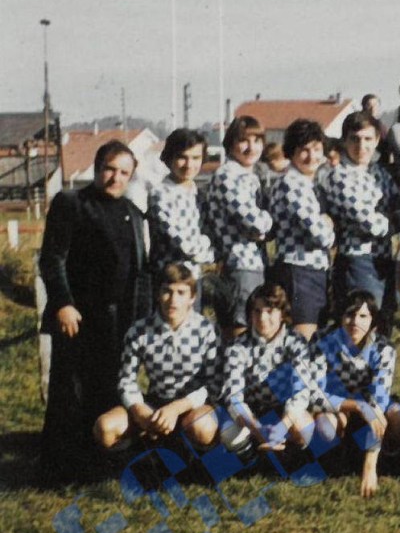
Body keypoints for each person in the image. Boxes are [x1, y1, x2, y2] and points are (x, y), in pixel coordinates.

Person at [38, 140, 152, 482]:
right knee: (71, 391)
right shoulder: (71, 203)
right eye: (109, 169)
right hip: (78, 318)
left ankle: (102, 463)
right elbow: (53, 259)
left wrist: (143, 320)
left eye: (124, 173)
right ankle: (62, 468)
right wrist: (63, 303)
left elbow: (140, 271)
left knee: (109, 389)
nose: (115, 178)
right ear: (96, 167)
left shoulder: (132, 212)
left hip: (119, 321)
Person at [93, 263, 219, 455]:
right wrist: (140, 411)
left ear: (192, 297)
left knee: (203, 427)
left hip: (191, 405)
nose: (173, 300)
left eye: (181, 293)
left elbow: (213, 384)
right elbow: (126, 380)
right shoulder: (140, 330)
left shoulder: (206, 330)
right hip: (155, 404)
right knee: (105, 427)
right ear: (158, 294)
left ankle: (189, 461)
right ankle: (136, 459)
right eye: (167, 291)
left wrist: (176, 409)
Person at [311, 290, 400, 498]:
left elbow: (378, 403)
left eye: (363, 316)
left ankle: (382, 461)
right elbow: (314, 394)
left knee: (399, 419)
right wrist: (357, 406)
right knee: (325, 426)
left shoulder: (384, 348)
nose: (355, 322)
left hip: (368, 410)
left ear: (373, 320)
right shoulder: (322, 340)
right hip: (337, 406)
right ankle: (333, 462)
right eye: (350, 315)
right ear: (341, 316)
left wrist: (370, 465)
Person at [318, 111, 400, 333]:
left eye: (367, 139)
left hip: (384, 259)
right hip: (357, 261)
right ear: (344, 141)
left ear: (377, 140)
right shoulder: (339, 176)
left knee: (382, 327)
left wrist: (396, 217)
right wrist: (394, 221)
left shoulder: (380, 173)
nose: (361, 146)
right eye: (355, 139)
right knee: (359, 330)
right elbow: (372, 224)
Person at [220, 283, 319, 460]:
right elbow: (233, 397)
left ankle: (288, 457)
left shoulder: (296, 342)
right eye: (257, 311)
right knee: (229, 433)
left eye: (270, 311)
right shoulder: (237, 346)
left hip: (284, 411)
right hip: (252, 412)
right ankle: (251, 457)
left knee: (304, 427)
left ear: (282, 314)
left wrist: (283, 426)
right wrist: (257, 428)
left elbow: (301, 391)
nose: (262, 318)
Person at [205, 116, 273, 338]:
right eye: (244, 140)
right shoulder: (228, 176)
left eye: (257, 140)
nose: (251, 147)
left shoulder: (250, 175)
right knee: (240, 332)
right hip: (240, 264)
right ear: (231, 143)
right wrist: (268, 220)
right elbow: (256, 223)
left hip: (253, 263)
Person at [268, 119, 335, 339]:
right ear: (291, 152)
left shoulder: (308, 183)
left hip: (311, 270)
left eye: (316, 149)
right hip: (299, 269)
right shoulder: (292, 183)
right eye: (304, 150)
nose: (311, 156)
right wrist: (327, 223)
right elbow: (322, 236)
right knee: (303, 340)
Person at [147, 128, 215, 309]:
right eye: (182, 157)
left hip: (194, 277)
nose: (189, 164)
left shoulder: (198, 193)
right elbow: (186, 245)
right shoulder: (161, 194)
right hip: (170, 280)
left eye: (196, 158)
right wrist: (208, 248)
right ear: (169, 158)